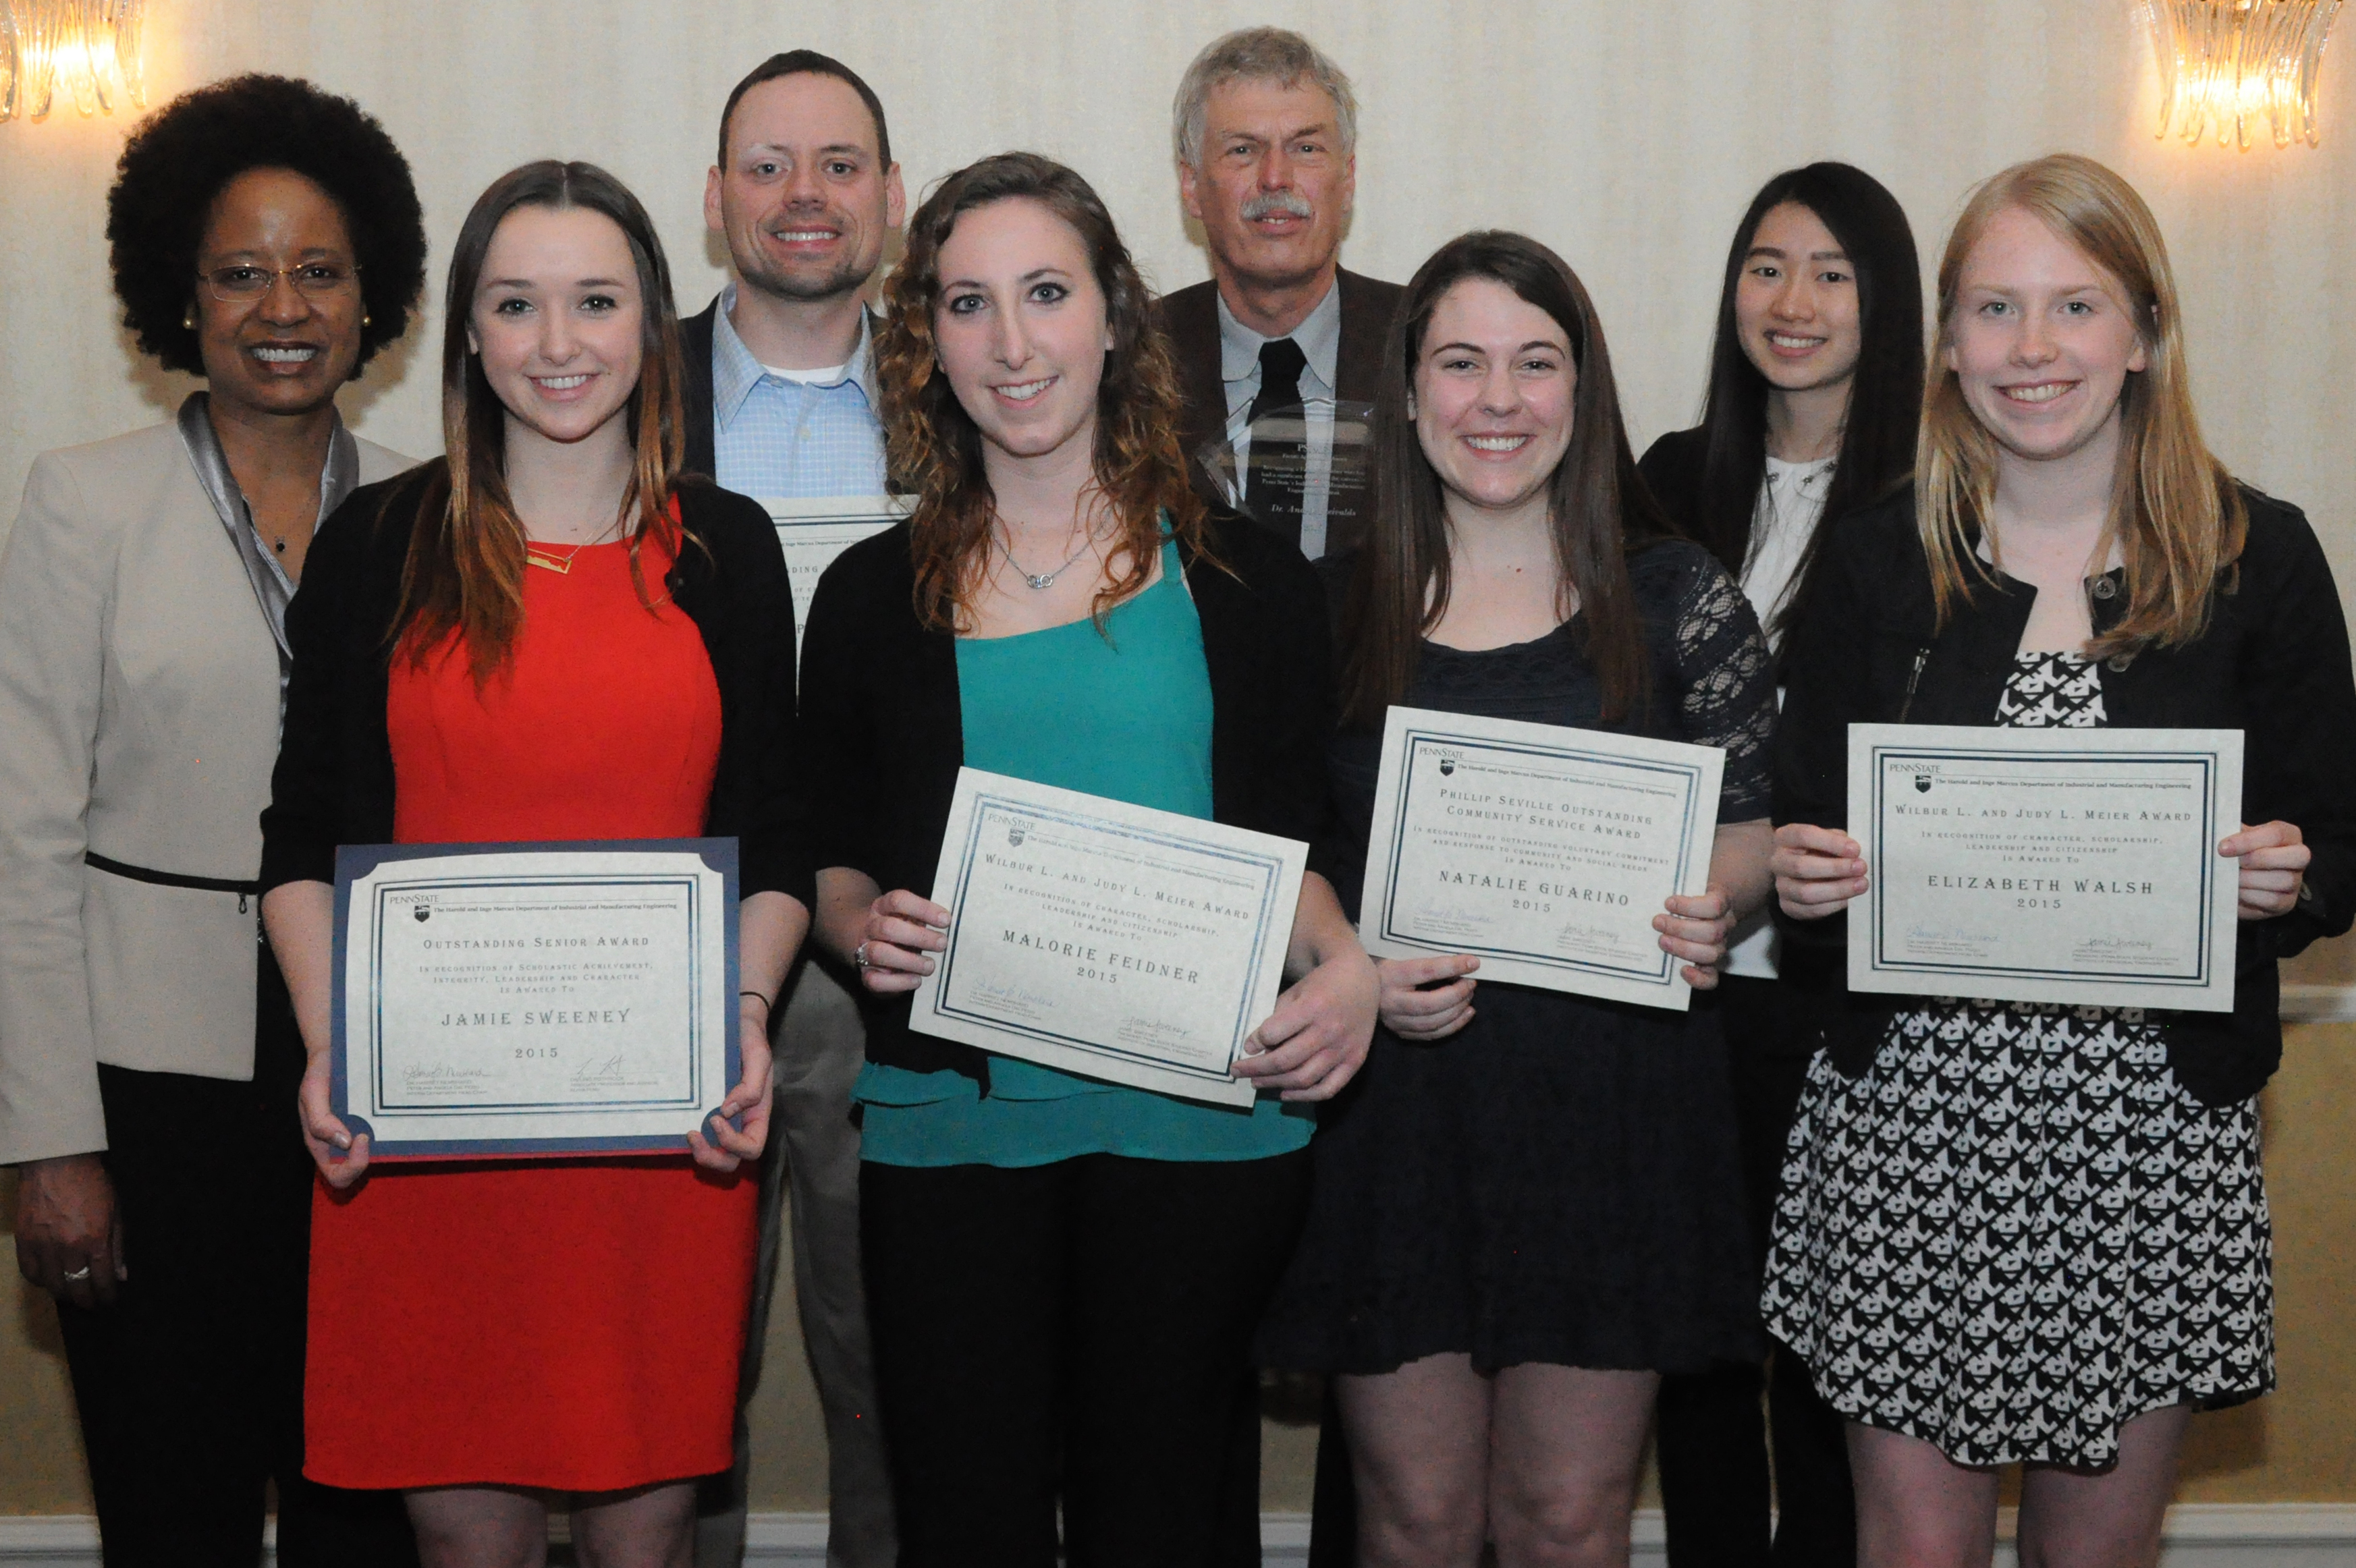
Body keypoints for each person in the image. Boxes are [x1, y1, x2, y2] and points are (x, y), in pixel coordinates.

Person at [1762, 153, 2356, 1568]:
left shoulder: (2249, 555)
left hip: (2142, 1138)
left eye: (2072, 308)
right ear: (1947, 345)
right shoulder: (1871, 565)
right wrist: (1805, 883)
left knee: (2089, 1557)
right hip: (1907, 1130)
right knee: (1912, 1553)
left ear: (2141, 332)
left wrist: (2290, 876)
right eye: (1991, 310)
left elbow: (2338, 842)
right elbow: (1801, 847)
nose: (2030, 351)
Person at [797, 150, 1378, 1568]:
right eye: (967, 304)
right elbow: (823, 848)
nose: (1011, 342)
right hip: (955, 1128)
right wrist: (854, 919)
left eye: (1045, 293)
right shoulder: (872, 596)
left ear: (1114, 316)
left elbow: (1290, 841)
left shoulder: (1245, 581)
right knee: (967, 1516)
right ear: (925, 342)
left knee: (1164, 1517)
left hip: (1195, 1125)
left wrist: (1348, 967)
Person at [256, 159, 810, 1567]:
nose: (557, 344)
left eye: (594, 302)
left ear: (650, 324)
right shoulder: (376, 545)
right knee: (461, 1540)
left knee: (648, 1538)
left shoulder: (729, 554)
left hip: (659, 1132)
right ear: (469, 333)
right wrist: (334, 1047)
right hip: (426, 1130)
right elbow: (303, 837)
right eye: (516, 304)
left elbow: (775, 841)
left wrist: (743, 1018)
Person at [1255, 230, 1777, 1568]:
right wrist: (1347, 954)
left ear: (1581, 390)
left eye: (1534, 363)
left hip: (1610, 1118)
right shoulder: (1320, 610)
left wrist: (1709, 900)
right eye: (1461, 362)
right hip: (1396, 1118)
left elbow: (1752, 825)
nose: (1497, 399)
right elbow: (1282, 845)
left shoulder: (1674, 599)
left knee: (1563, 1518)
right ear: (1407, 389)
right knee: (1416, 1519)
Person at [0, 74, 425, 1567]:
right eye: (239, 271)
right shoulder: (82, 502)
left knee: (360, 1496)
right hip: (148, 1081)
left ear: (374, 292)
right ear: (177, 293)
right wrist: (47, 1136)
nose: (282, 305)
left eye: (318, 268)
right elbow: (22, 842)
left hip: (374, 1067)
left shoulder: (433, 518)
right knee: (172, 1500)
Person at [1635, 162, 1923, 1568]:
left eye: (1828, 271)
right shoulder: (1659, 483)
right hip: (1677, 989)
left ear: (1884, 302)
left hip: (1833, 1006)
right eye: (1763, 265)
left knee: (1822, 1364)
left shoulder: (1940, 504)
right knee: (1692, 1350)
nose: (1790, 301)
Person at [678, 50, 903, 1568]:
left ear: (888, 199)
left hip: (901, 939)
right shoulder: (612, 388)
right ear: (714, 203)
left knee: (894, 1361)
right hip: (680, 932)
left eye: (837, 164)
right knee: (680, 1363)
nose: (803, 197)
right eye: (767, 165)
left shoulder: (981, 386)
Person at [1158, 26, 1403, 559]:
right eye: (1242, 150)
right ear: (1191, 187)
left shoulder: (1428, 344)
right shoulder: (1127, 362)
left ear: (1348, 179)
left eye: (1306, 148)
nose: (1275, 178)